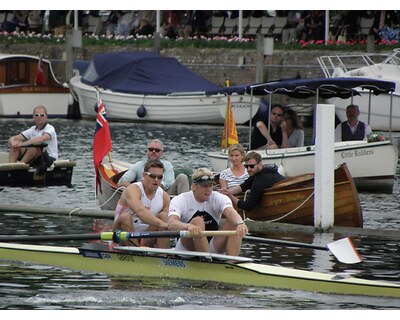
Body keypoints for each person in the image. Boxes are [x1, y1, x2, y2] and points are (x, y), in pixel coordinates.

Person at [168, 167, 248, 256]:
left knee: (234, 222)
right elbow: (171, 223)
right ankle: (206, 260)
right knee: (198, 221)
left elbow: (230, 212)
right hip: (187, 249)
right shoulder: (180, 199)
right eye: (204, 186)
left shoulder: (218, 197)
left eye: (210, 185)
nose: (209, 189)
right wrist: (188, 226)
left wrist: (240, 223)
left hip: (211, 245)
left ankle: (232, 264)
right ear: (194, 186)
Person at [113, 159, 170, 248]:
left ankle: (162, 257)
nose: (156, 180)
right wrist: (161, 224)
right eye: (152, 176)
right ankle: (136, 253)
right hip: (121, 235)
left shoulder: (165, 196)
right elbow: (140, 212)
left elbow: (166, 223)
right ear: (144, 175)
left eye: (160, 177)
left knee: (164, 216)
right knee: (125, 217)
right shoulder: (133, 190)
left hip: (146, 237)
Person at [118, 139, 190, 195]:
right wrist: (137, 188)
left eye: (157, 150)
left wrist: (156, 184)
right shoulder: (138, 165)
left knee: (182, 177)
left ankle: (186, 208)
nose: (154, 151)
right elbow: (122, 181)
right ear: (147, 151)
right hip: (142, 194)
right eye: (151, 149)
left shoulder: (167, 165)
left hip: (164, 194)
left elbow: (169, 182)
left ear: (161, 152)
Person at [220, 152, 285, 212]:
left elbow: (248, 206)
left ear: (259, 164)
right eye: (246, 166)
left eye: (251, 166)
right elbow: (243, 186)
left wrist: (230, 196)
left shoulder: (260, 180)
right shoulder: (264, 171)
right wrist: (226, 192)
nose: (248, 169)